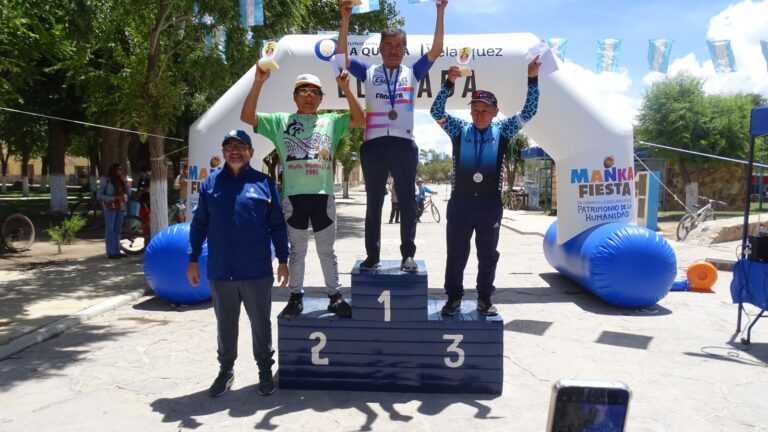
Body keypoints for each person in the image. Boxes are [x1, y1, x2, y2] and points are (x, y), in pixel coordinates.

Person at [240, 68, 363, 320]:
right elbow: (247, 116)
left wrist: (346, 88)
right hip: (293, 198)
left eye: (314, 92)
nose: (309, 96)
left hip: (323, 196)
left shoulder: (331, 121)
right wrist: (258, 82)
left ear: (321, 98)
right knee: (298, 252)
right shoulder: (280, 121)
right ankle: (295, 298)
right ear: (295, 96)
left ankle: (335, 296)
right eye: (303, 91)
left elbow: (359, 118)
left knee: (326, 251)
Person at [337, 0, 448, 272]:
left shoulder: (412, 72)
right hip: (373, 143)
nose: (393, 50)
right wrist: (345, 19)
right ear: (380, 48)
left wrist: (440, 12)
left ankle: (408, 255)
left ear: (404, 49)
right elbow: (341, 58)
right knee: (374, 202)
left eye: (398, 46)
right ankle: (372, 255)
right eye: (388, 45)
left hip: (403, 144)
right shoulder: (368, 72)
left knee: (407, 201)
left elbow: (436, 50)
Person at [430, 59, 541, 316]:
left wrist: (533, 79)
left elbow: (529, 111)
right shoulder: (459, 129)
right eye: (475, 110)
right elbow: (436, 111)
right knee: (456, 253)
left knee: (488, 254)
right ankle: (453, 298)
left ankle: (484, 298)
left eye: (485, 110)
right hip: (460, 202)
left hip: (489, 204)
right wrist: (448, 84)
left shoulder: (504, 130)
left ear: (495, 111)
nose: (479, 115)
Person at [187, 129, 289, 397]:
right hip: (221, 271)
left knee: (261, 324)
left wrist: (283, 259)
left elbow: (277, 225)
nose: (235, 151)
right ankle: (225, 370)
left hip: (256, 271)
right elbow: (199, 225)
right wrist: (192, 259)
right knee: (225, 326)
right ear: (223, 152)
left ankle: (264, 370)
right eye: (230, 146)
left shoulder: (264, 183)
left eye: (241, 146)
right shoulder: (210, 184)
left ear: (251, 152)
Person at [96, 162, 129, 259]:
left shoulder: (121, 180)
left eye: (121, 170)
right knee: (110, 230)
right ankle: (111, 252)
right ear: (114, 170)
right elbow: (99, 195)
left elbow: (128, 192)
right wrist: (113, 198)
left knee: (117, 230)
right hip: (110, 207)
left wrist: (125, 182)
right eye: (119, 170)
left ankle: (117, 251)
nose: (121, 172)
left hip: (120, 207)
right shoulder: (106, 180)